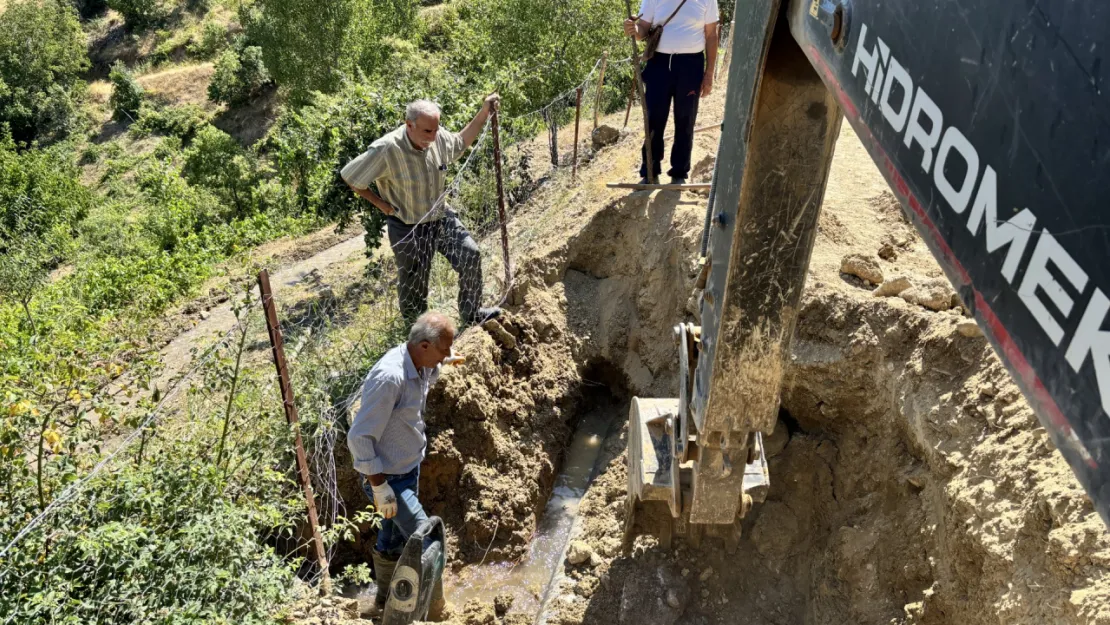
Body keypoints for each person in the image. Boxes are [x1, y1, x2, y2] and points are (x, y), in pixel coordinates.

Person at [341, 96, 502, 325]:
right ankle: (417, 336)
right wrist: (381, 205)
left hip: (439, 217)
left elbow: (459, 142)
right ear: (409, 125)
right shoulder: (387, 149)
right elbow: (351, 176)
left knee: (470, 254)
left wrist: (484, 111)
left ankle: (472, 313)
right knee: (414, 287)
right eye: (427, 131)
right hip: (408, 227)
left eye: (436, 130)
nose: (433, 137)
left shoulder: (436, 137)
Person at [346, 311, 458, 619]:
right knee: (428, 538)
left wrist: (444, 360)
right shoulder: (390, 377)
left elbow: (426, 376)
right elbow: (359, 438)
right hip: (389, 478)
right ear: (424, 345)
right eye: (443, 349)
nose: (446, 355)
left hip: (408, 468)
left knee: (393, 534)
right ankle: (435, 610)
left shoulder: (419, 363)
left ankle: (385, 600)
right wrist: (379, 487)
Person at [624, 0, 719, 184]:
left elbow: (711, 35)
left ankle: (679, 173)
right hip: (658, 63)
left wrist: (709, 73)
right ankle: (650, 172)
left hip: (691, 65)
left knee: (686, 119)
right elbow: (643, 28)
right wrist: (634, 30)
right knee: (654, 119)